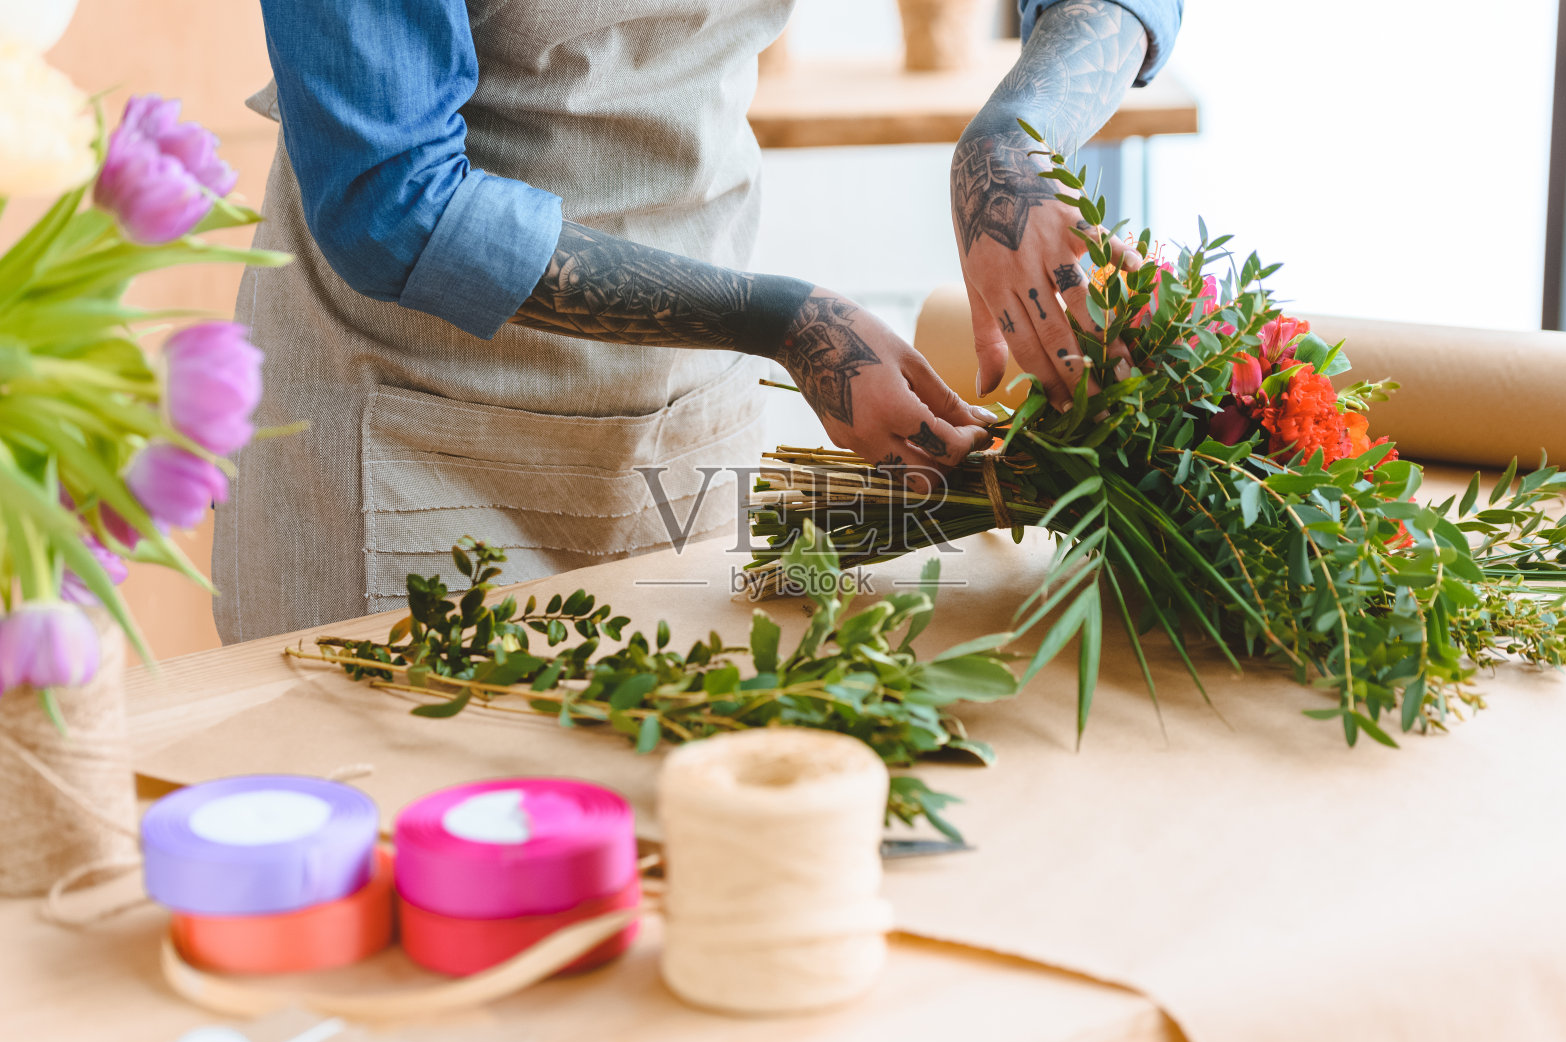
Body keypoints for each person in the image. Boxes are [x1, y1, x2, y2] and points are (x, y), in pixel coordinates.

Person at [215, 0, 1182, 642]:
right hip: (413, 414)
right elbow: (389, 201)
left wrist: (1010, 146)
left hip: (684, 399)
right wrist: (778, 319)